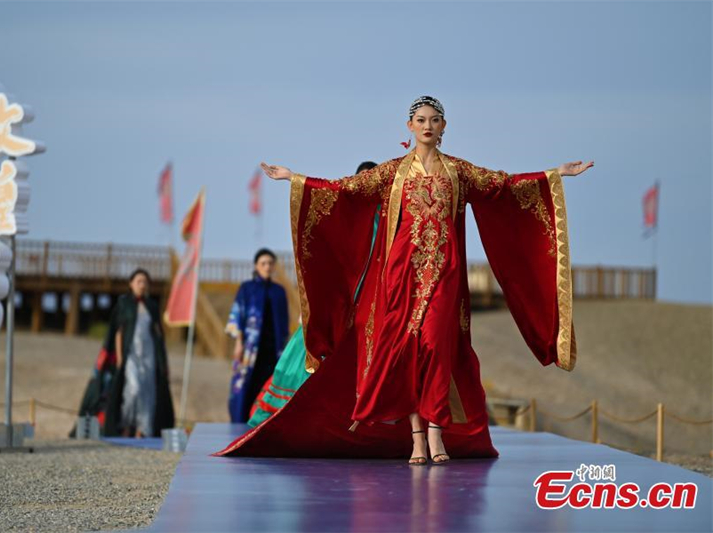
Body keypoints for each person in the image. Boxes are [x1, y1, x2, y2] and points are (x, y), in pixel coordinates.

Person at [216, 95, 593, 464]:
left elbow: (504, 185)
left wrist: (554, 174)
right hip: (402, 276)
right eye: (421, 120)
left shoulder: (458, 172)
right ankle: (418, 439)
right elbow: (346, 188)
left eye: (434, 120)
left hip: (444, 273)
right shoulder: (394, 171)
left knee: (434, 345)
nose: (427, 126)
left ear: (444, 127)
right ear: (410, 127)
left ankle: (436, 434)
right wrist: (295, 179)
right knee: (408, 350)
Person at [247, 162, 379, 428]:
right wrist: (291, 177)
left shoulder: (387, 219)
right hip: (341, 301)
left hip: (373, 302)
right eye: (360, 181)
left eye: (370, 181)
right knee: (309, 355)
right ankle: (299, 416)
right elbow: (322, 192)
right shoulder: (345, 215)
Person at [102, 268, 175, 437]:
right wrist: (120, 358)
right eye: (138, 281)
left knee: (148, 392)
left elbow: (158, 334)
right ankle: (126, 426)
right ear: (131, 283)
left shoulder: (152, 306)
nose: (142, 285)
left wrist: (163, 361)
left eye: (145, 282)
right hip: (130, 354)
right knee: (133, 389)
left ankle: (142, 430)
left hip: (149, 355)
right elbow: (119, 332)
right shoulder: (124, 304)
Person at [226, 248, 290, 423]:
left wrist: (285, 348)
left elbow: (284, 323)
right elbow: (237, 315)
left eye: (270, 263)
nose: (267, 267)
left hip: (273, 350)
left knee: (269, 387)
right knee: (245, 387)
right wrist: (239, 343)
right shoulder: (247, 288)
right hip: (250, 349)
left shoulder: (279, 292)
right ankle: (239, 423)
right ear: (256, 266)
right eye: (263, 263)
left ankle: (264, 424)